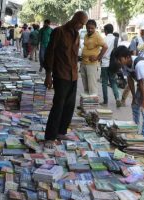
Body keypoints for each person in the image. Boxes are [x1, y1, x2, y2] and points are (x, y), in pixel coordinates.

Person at [44, 11, 88, 143]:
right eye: (81, 23)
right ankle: (50, 136)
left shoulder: (77, 34)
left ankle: (61, 132)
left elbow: (74, 56)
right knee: (58, 105)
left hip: (73, 75)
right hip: (61, 74)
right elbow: (50, 53)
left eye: (83, 24)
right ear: (75, 19)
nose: (82, 26)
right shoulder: (59, 31)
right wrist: (48, 75)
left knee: (69, 106)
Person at [114, 45, 144, 138]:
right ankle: (135, 130)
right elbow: (130, 80)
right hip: (142, 85)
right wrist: (134, 96)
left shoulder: (139, 64)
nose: (118, 62)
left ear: (127, 57)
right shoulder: (124, 65)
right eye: (117, 59)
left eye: (119, 59)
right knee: (134, 106)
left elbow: (142, 83)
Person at [80, 19, 108, 95]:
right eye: (88, 28)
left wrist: (98, 57)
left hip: (91, 64)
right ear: (86, 27)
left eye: (92, 28)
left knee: (92, 87)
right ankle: (86, 105)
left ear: (95, 28)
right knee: (85, 86)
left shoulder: (97, 36)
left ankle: (93, 106)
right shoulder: (86, 36)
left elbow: (105, 47)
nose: (90, 29)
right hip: (83, 63)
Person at [100, 24, 121, 107]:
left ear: (105, 31)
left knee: (104, 82)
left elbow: (101, 51)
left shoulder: (103, 39)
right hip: (113, 64)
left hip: (104, 64)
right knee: (113, 82)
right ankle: (117, 99)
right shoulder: (116, 39)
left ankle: (105, 101)